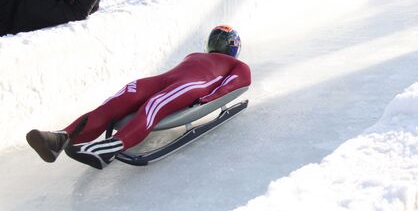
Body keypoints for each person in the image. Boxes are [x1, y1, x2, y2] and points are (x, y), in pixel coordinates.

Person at [26, 25, 251, 170]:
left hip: (191, 85)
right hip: (164, 79)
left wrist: (207, 99)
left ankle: (109, 148)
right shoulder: (194, 55)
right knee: (118, 100)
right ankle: (60, 138)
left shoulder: (238, 66)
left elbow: (234, 85)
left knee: (155, 104)